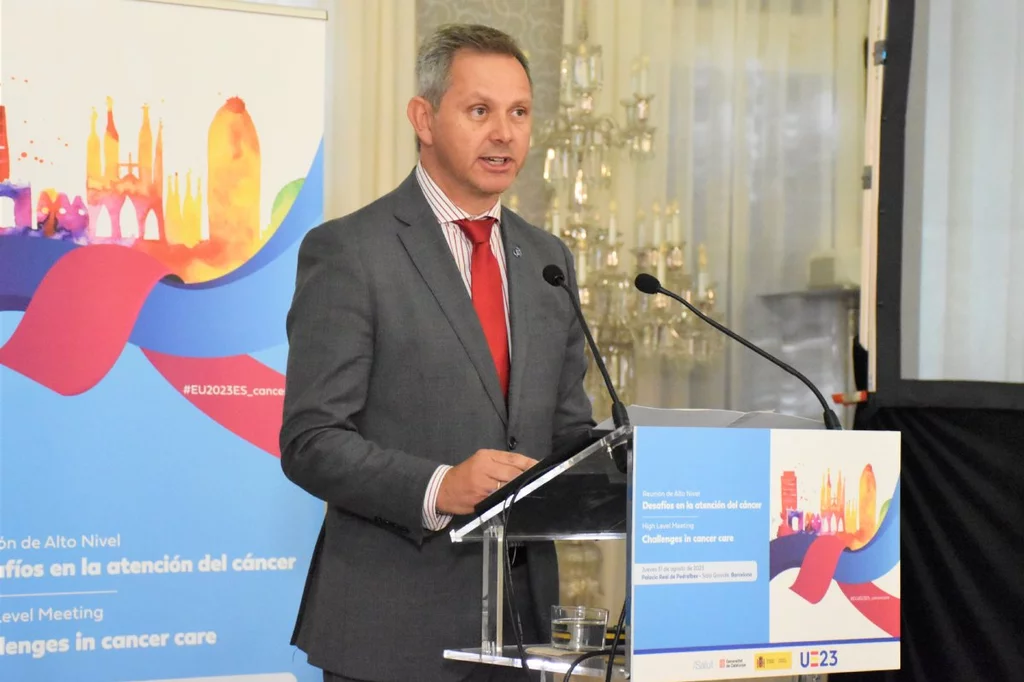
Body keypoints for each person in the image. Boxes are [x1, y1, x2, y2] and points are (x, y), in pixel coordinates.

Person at [279, 23, 595, 682]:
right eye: (480, 111)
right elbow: (311, 439)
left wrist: (631, 468)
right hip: (391, 634)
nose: (504, 133)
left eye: (519, 113)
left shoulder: (547, 261)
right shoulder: (351, 252)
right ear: (423, 118)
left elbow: (568, 431)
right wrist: (439, 486)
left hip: (522, 636)